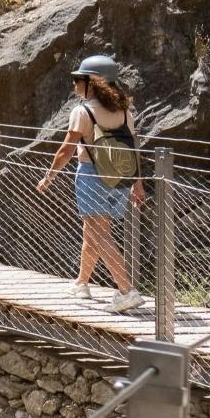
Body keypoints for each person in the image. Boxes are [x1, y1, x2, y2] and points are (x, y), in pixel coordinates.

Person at [38, 55, 147, 313]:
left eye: (79, 79)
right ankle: (82, 283)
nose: (75, 84)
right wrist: (138, 184)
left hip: (91, 175)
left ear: (93, 83)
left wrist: (49, 177)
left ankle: (126, 291)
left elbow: (65, 150)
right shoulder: (123, 111)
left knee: (99, 233)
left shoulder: (82, 111)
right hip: (119, 177)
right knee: (92, 231)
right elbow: (134, 148)